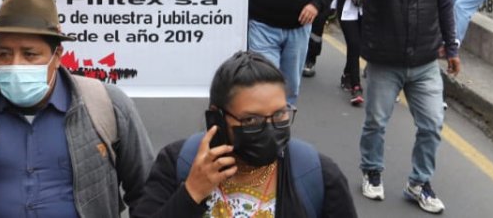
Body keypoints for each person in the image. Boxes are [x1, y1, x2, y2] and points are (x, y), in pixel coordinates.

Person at [0, 0, 155, 218]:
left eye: (30, 54)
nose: (15, 64)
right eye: (4, 54)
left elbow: (148, 193)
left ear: (57, 56)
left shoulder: (107, 106)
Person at [132, 51, 356, 218]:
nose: (269, 129)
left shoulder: (318, 175)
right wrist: (191, 193)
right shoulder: (177, 163)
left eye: (279, 115)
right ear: (217, 118)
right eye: (251, 120)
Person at [357, 0, 460, 214]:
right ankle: (372, 170)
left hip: (425, 62)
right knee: (376, 122)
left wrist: (451, 49)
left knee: (432, 125)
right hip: (384, 61)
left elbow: (445, 7)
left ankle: (419, 182)